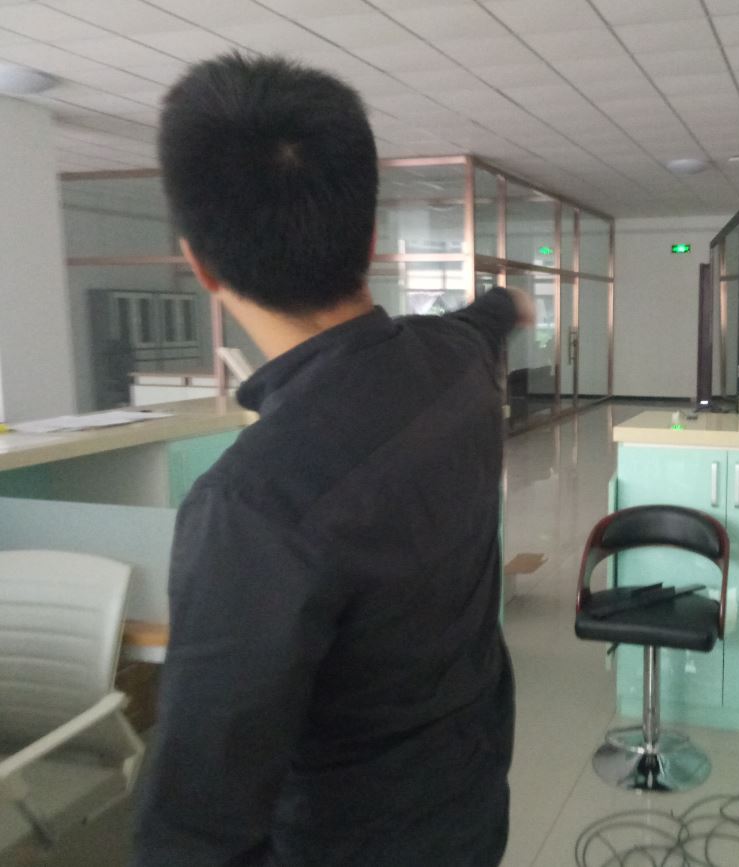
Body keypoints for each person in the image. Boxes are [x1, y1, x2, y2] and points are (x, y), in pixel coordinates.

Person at [133, 53, 531, 867]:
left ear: (200, 263)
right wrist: (511, 303)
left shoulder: (253, 504)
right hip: (472, 799)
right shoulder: (455, 360)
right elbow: (487, 318)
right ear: (371, 237)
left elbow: (197, 824)